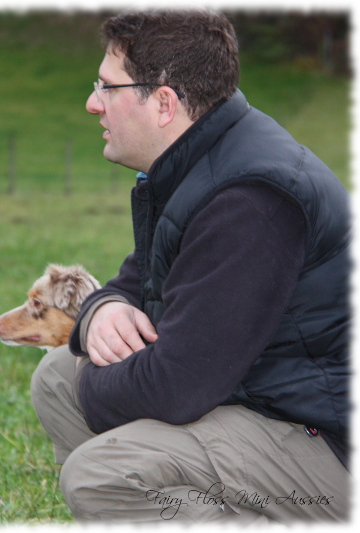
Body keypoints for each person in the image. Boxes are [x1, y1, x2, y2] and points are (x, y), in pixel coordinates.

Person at [31, 9, 351, 524]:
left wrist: (96, 373)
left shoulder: (251, 200)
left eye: (107, 87)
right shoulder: (202, 158)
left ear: (163, 103)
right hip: (255, 390)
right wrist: (102, 310)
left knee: (101, 472)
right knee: (55, 378)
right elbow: (140, 278)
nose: (93, 104)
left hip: (326, 444)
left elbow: (176, 388)